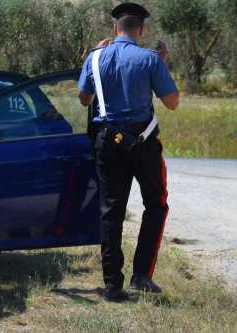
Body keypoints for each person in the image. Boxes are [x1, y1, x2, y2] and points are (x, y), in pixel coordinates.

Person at [77, 2, 180, 302]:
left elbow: (84, 99)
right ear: (141, 30)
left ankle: (111, 285)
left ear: (115, 29)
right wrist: (159, 65)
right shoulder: (150, 60)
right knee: (156, 205)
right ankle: (142, 275)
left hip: (107, 142)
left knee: (111, 212)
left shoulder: (95, 58)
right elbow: (172, 102)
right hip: (143, 143)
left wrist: (94, 59)